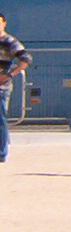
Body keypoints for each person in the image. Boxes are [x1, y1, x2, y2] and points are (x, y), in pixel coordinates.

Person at [0, 14, 32, 164]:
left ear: (4, 23)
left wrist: (10, 74)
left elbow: (26, 58)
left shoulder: (8, 41)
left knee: (0, 120)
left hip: (1, 87)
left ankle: (1, 153)